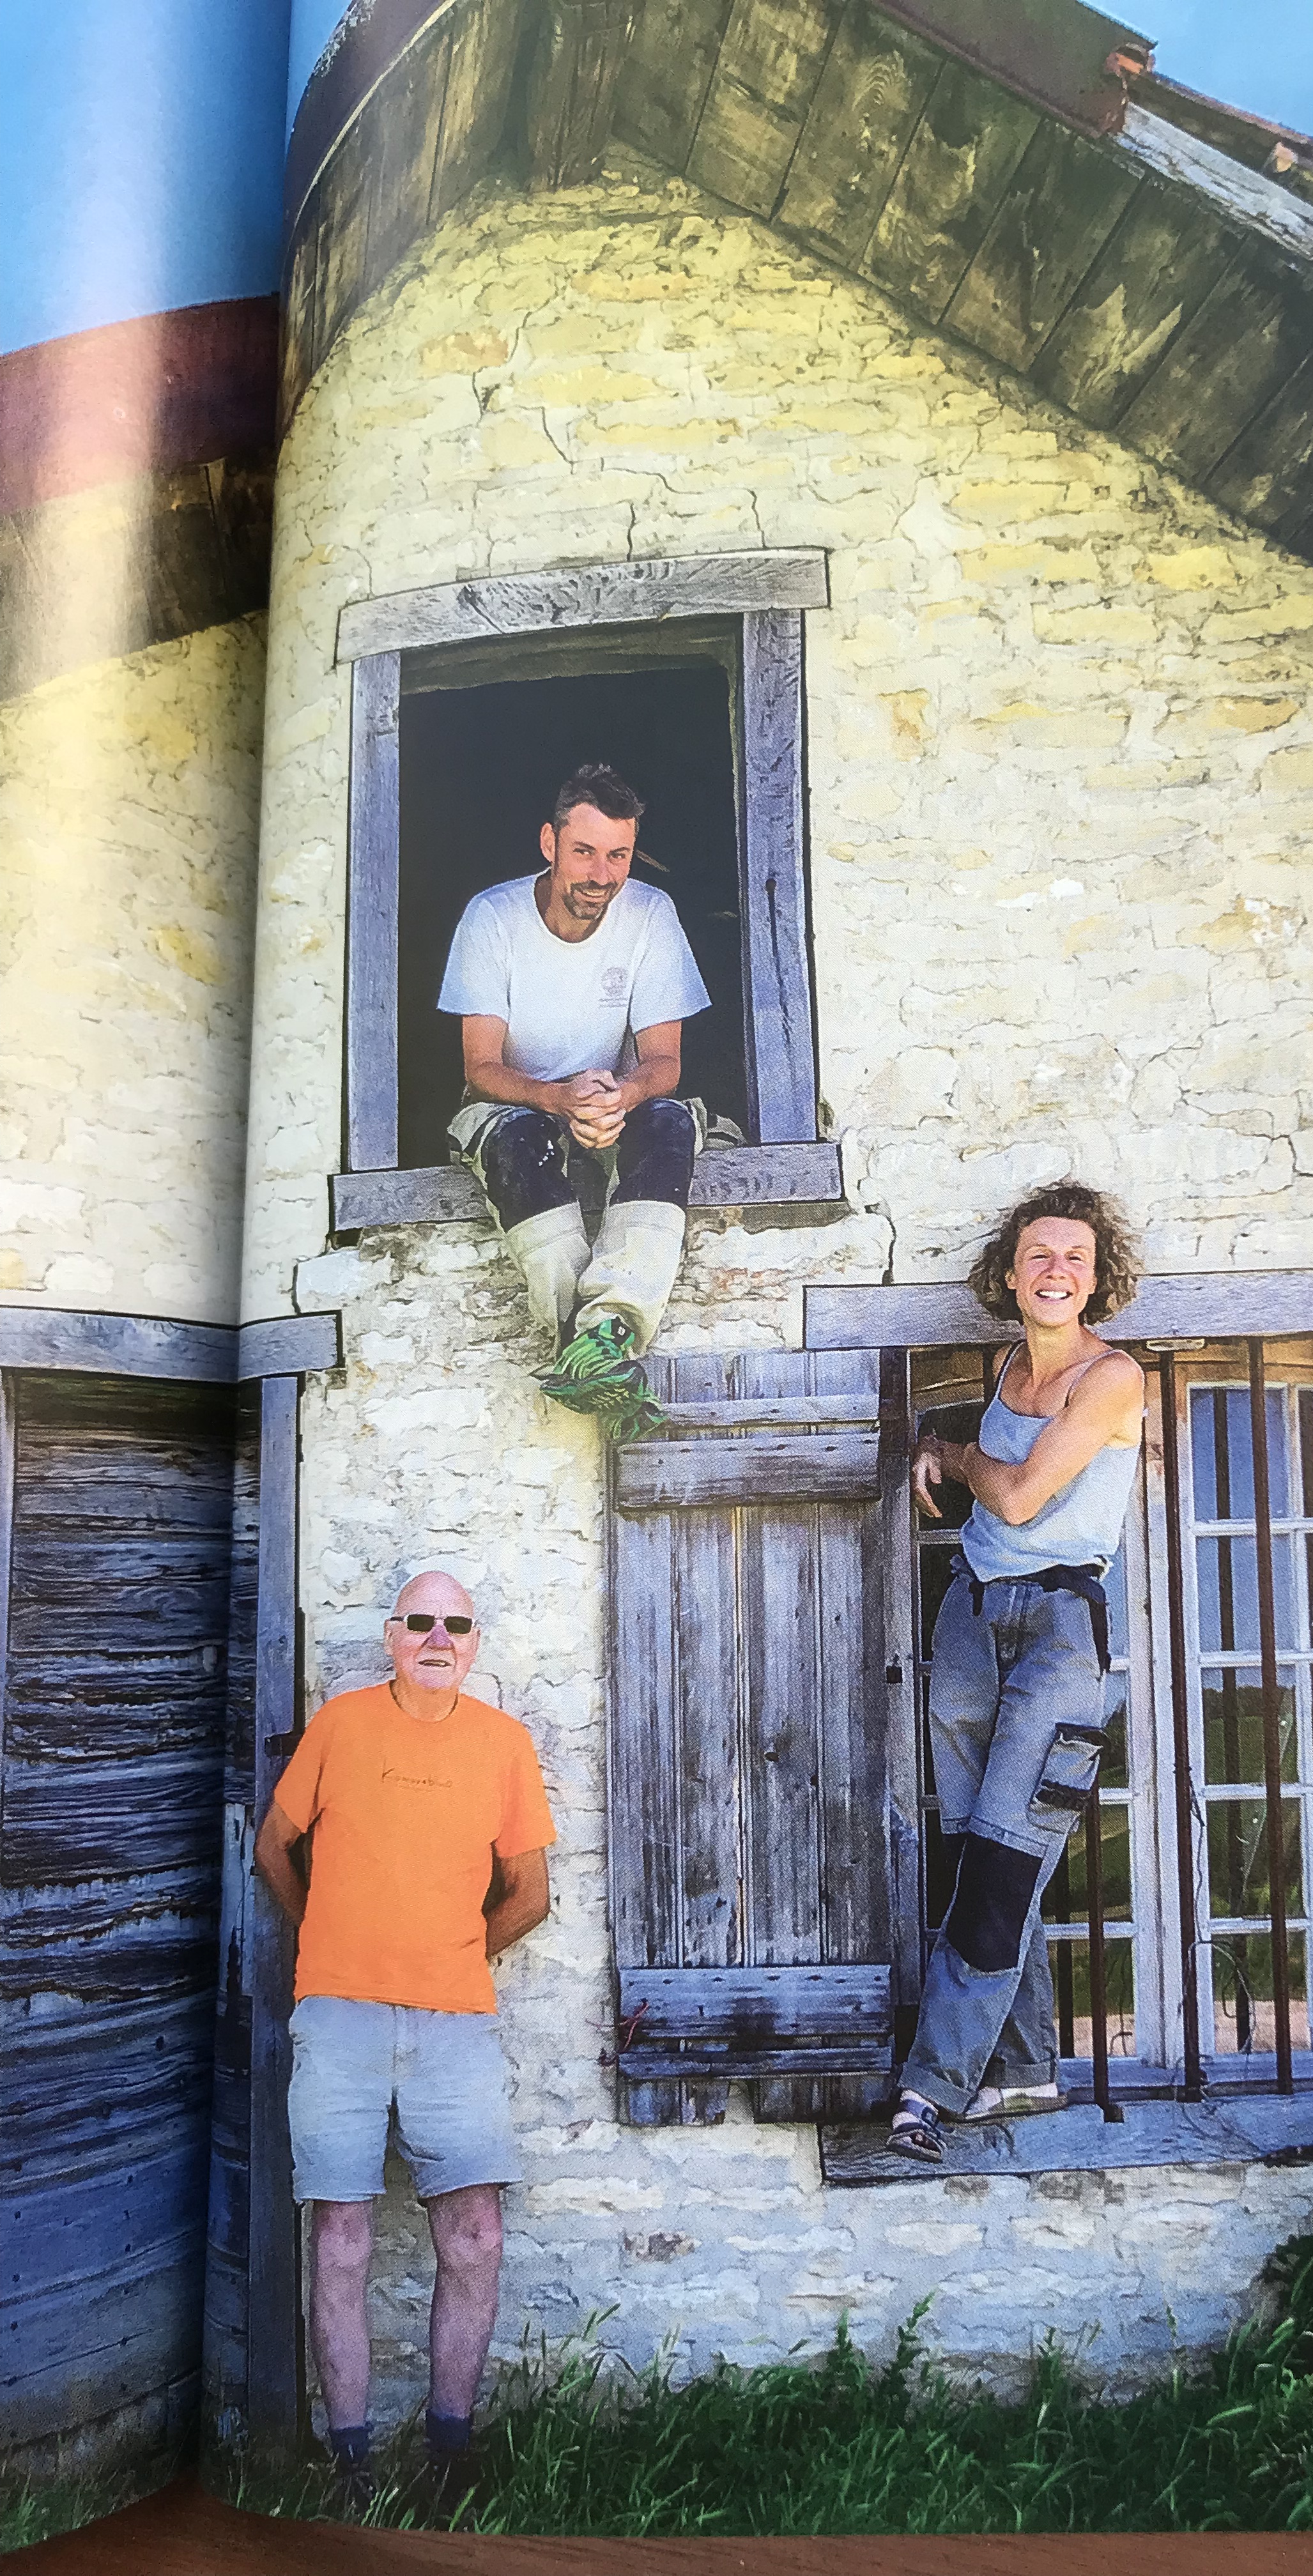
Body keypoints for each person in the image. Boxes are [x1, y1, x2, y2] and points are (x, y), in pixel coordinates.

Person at [253, 1571, 556, 2496]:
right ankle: (349, 2466)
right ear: (391, 1637)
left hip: (455, 2023)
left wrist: (451, 1954)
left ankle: (448, 2459)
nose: (437, 1638)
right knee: (341, 2236)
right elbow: (272, 1847)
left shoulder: (503, 1745)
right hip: (337, 2018)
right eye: (419, 1621)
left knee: (476, 2235)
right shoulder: (341, 1726)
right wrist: (327, 1940)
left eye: (455, 1625)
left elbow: (530, 1895)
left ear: (474, 1644)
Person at [889, 1181, 1146, 2165]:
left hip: (1059, 1629)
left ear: (1098, 1279)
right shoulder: (1007, 1368)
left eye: (1076, 1257)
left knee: (1004, 1862)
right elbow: (980, 1473)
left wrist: (954, 1457)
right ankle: (1028, 2065)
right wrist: (934, 1446)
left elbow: (1023, 1498)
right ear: (1009, 1272)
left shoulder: (1111, 1378)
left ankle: (927, 2089)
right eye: (1039, 1253)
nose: (1056, 1271)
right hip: (971, 1615)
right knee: (976, 1852)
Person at [438, 760, 714, 1441]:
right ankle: (594, 1351)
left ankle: (604, 1336)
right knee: (513, 1141)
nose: (601, 874)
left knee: (669, 1123)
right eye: (584, 851)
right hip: (520, 1102)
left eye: (618, 855)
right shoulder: (492, 917)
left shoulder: (650, 913)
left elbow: (665, 1062)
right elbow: (480, 1068)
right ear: (549, 843)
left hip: (607, 1099)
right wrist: (557, 1099)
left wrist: (622, 1096)